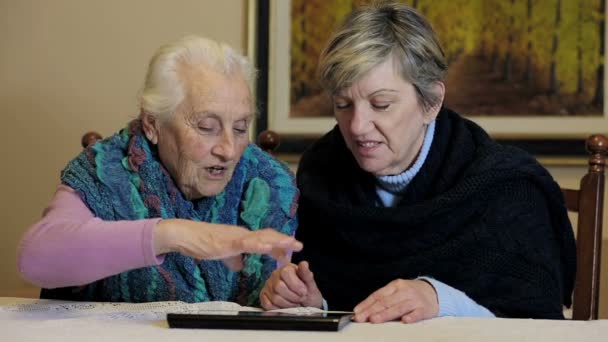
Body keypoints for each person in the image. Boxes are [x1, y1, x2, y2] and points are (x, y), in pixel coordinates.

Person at [260, 1, 576, 322]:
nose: (357, 126)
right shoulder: (319, 173)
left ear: (432, 103)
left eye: (381, 104)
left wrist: (443, 300)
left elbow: (536, 321)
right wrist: (314, 301)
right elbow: (339, 298)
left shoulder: (508, 189)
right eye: (343, 104)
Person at [17, 35, 301, 306]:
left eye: (240, 128)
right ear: (153, 125)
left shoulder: (268, 184)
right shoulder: (104, 173)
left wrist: (293, 297)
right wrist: (173, 234)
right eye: (206, 127)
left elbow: (278, 294)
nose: (228, 149)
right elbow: (35, 259)